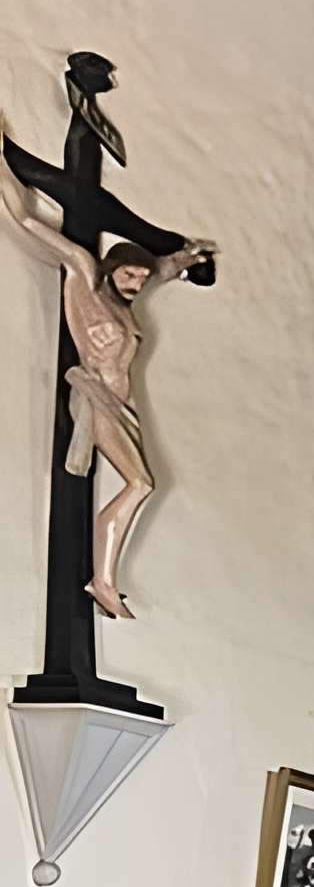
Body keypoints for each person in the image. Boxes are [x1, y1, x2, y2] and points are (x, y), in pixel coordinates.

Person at [0, 100, 214, 621]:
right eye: (127, 276)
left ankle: (104, 578)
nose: (135, 284)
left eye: (139, 281)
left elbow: (159, 269)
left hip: (124, 407)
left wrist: (183, 261)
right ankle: (104, 580)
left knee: (144, 481)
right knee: (141, 483)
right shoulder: (82, 275)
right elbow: (25, 217)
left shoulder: (127, 307)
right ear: (109, 269)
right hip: (94, 398)